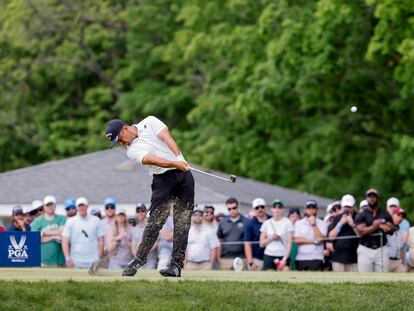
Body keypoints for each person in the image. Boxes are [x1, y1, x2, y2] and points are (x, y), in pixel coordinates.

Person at [106, 116, 194, 278]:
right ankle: (139, 259)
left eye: (120, 139)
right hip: (163, 180)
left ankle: (175, 266)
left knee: (183, 221)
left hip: (184, 177)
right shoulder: (131, 151)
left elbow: (167, 137)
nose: (121, 143)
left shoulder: (150, 122)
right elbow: (154, 160)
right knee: (155, 222)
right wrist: (175, 163)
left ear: (125, 128)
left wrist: (179, 158)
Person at [355, 188, 395, 272]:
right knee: (364, 278)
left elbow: (392, 229)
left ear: (378, 198)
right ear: (366, 198)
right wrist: (376, 226)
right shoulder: (362, 214)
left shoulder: (384, 213)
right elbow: (361, 232)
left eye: (374, 196)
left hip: (381, 249)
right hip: (365, 249)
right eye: (370, 196)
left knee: (382, 278)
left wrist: (381, 224)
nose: (372, 198)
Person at [62, 197, 105, 269]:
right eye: (80, 206)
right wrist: (67, 258)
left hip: (93, 261)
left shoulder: (96, 220)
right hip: (75, 261)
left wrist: (99, 257)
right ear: (76, 207)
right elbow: (65, 241)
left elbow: (101, 241)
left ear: (87, 206)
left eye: (83, 205)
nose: (82, 208)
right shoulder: (70, 221)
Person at [30, 195, 66, 266]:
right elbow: (35, 239)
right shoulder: (37, 221)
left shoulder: (62, 219)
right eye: (48, 205)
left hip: (59, 261)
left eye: (52, 204)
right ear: (44, 206)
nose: (50, 207)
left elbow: (62, 232)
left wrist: (44, 233)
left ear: (55, 206)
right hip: (42, 261)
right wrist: (54, 237)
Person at [328, 194, 359, 272]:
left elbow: (361, 235)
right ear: (342, 206)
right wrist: (341, 223)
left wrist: (352, 224)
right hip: (338, 258)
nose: (347, 209)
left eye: (349, 207)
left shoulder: (358, 217)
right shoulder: (337, 218)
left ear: (354, 206)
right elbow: (331, 237)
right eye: (345, 207)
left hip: (355, 259)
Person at [294, 200, 327, 271]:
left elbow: (320, 240)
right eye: (309, 208)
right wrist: (314, 241)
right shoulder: (299, 223)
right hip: (301, 258)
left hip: (317, 257)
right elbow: (297, 240)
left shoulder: (323, 223)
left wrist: (313, 225)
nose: (311, 210)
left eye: (313, 208)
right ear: (305, 210)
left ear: (316, 210)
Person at [260, 199, 293, 271]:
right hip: (269, 255)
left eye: (279, 207)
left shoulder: (287, 223)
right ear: (271, 209)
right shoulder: (266, 223)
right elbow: (261, 244)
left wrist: (284, 259)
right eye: (275, 207)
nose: (277, 209)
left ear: (283, 210)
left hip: (282, 254)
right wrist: (271, 238)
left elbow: (289, 243)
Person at [217, 197, 247, 270]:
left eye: (234, 208)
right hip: (225, 259)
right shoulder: (222, 223)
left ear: (238, 206)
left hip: (242, 258)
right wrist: (218, 259)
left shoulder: (246, 221)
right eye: (229, 209)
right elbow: (219, 241)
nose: (232, 210)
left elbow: (248, 243)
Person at [244, 198, 270, 271]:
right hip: (257, 259)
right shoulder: (250, 224)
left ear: (265, 207)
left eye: (262, 207)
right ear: (254, 209)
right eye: (257, 207)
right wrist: (251, 262)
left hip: (272, 256)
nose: (260, 209)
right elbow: (247, 244)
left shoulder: (272, 220)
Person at [131, 203, 158, 269]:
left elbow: (156, 243)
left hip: (150, 262)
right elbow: (133, 245)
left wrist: (143, 254)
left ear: (146, 212)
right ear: (136, 213)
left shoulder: (152, 226)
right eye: (138, 211)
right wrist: (137, 257)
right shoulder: (134, 228)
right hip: (138, 262)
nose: (140, 213)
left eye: (142, 211)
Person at [387, 208, 406, 272]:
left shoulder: (399, 231)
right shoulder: (386, 228)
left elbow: (400, 249)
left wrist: (402, 261)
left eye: (402, 217)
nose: (400, 218)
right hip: (386, 260)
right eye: (398, 215)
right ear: (392, 215)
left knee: (403, 271)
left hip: (397, 261)